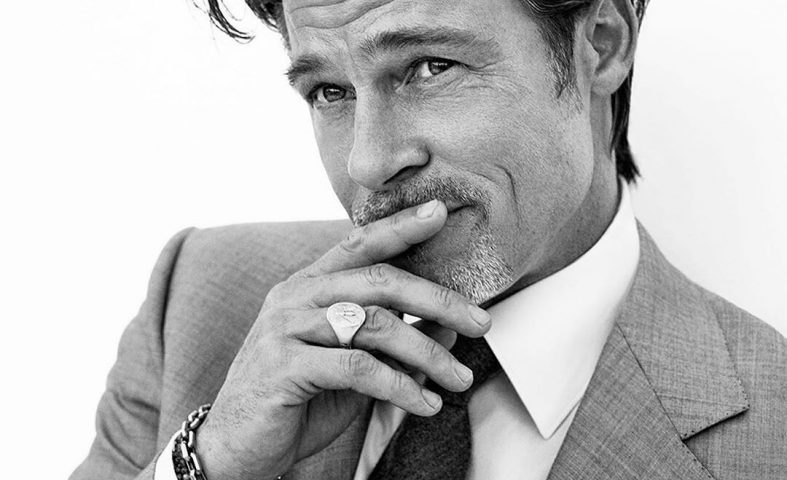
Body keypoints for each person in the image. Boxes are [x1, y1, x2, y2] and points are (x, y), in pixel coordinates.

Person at [70, 0, 787, 479]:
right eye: (329, 91)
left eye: (429, 67)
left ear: (600, 45)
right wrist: (206, 463)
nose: (369, 162)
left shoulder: (771, 433)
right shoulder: (197, 300)